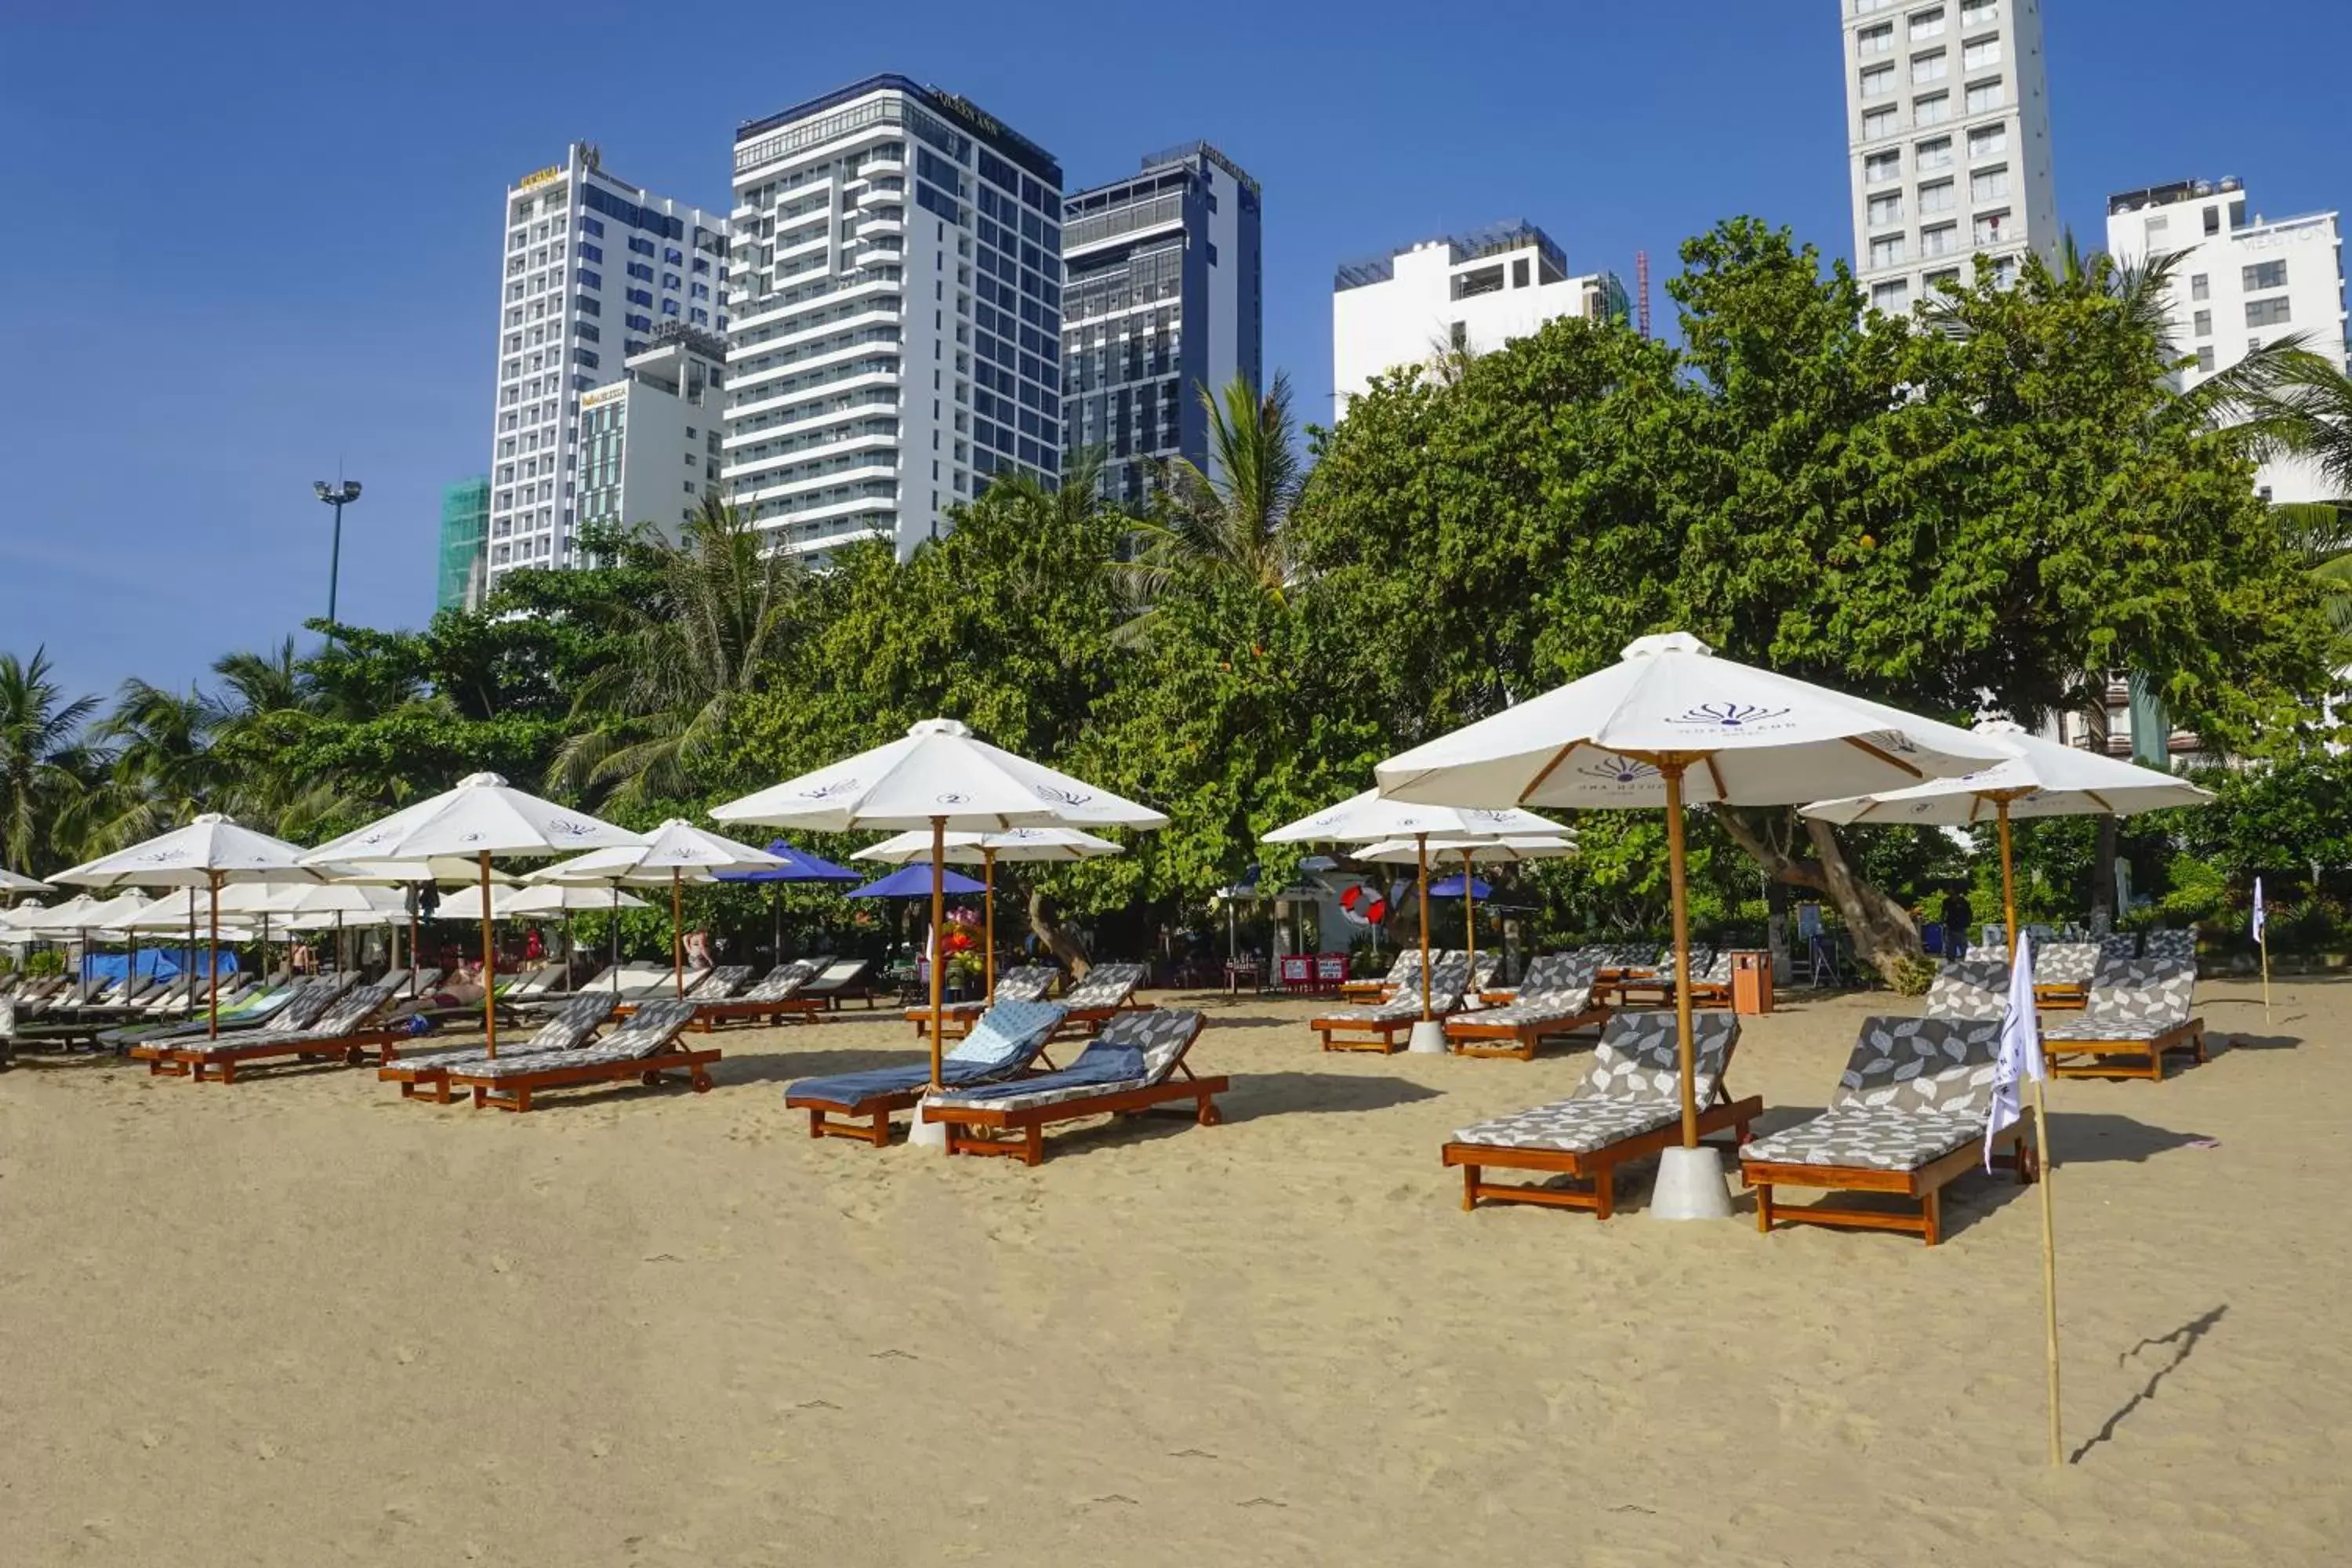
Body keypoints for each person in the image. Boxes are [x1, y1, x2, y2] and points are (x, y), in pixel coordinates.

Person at [1941, 887, 1973, 960]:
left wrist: (1969, 922)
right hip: (1950, 925)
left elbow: (1969, 913)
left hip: (1961, 926)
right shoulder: (1946, 901)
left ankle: (1965, 957)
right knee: (1950, 944)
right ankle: (1951, 958)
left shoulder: (1963, 901)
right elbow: (1943, 912)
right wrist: (1942, 921)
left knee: (1963, 943)